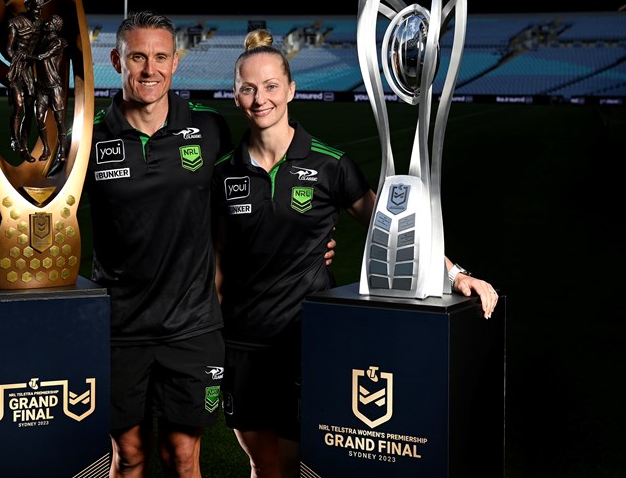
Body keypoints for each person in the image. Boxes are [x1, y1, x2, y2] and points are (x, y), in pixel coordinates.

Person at [0, 11, 235, 478]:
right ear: (117, 61)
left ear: (175, 61)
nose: (150, 69)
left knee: (182, 458)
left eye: (161, 57)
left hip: (192, 327)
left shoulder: (210, 127)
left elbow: (237, 201)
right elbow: (48, 211)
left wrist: (311, 236)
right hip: (117, 326)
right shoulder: (87, 137)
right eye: (137, 57)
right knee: (129, 456)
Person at [212, 29, 499, 478]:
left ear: (291, 89)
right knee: (261, 464)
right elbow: (216, 261)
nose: (260, 98)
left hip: (307, 338)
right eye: (248, 88)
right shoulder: (222, 172)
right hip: (242, 342)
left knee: (296, 463)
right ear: (235, 95)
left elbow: (395, 227)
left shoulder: (330, 164)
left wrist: (455, 275)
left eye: (270, 86)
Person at [5, 0, 45, 162]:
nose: (38, 12)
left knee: (29, 109)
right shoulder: (14, 23)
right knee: (18, 105)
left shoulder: (41, 24)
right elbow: (9, 49)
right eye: (35, 9)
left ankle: (24, 146)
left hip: (29, 70)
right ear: (28, 6)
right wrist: (20, 57)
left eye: (40, 9)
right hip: (17, 69)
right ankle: (14, 140)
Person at [32, 14, 69, 162]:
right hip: (41, 86)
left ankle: (62, 150)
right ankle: (46, 149)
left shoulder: (59, 42)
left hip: (54, 86)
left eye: (50, 22)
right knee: (39, 118)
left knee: (59, 121)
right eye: (47, 21)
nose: (47, 24)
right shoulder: (41, 40)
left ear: (56, 27)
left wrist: (25, 55)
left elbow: (43, 56)